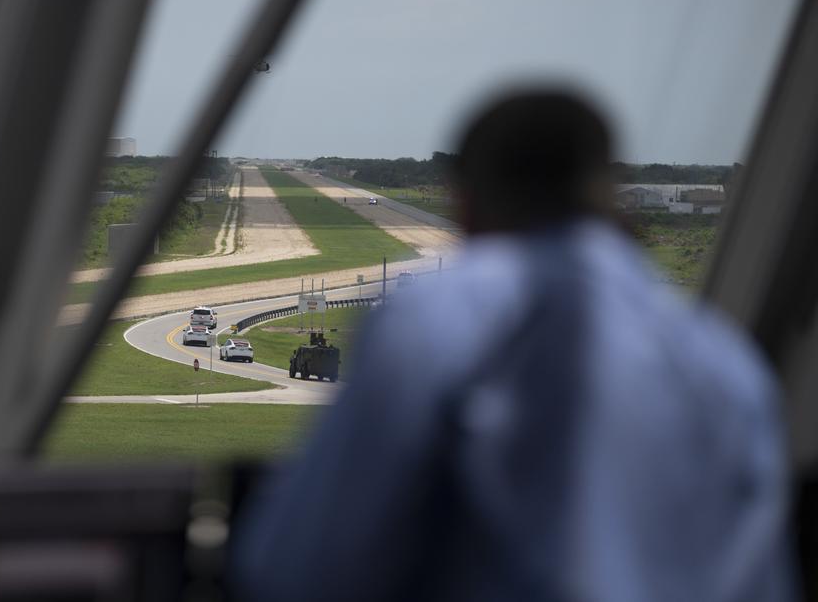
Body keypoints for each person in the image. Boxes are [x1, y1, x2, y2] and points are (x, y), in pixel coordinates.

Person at [232, 87, 794, 601]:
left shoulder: (435, 316)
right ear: (613, 198)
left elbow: (302, 566)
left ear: (465, 203)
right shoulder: (721, 357)